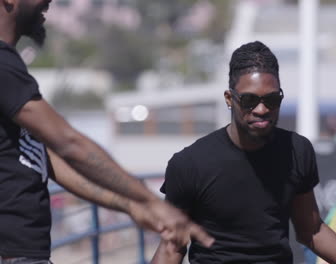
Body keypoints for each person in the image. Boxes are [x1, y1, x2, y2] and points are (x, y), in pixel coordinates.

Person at [0, 0, 213, 263]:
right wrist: (150, 200)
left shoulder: (9, 65)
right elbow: (69, 143)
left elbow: (50, 158)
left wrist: (131, 204)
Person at [151, 41, 336, 264]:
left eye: (272, 100)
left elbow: (311, 230)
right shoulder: (190, 163)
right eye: (249, 100)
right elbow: (172, 249)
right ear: (229, 99)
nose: (262, 109)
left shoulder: (297, 150)